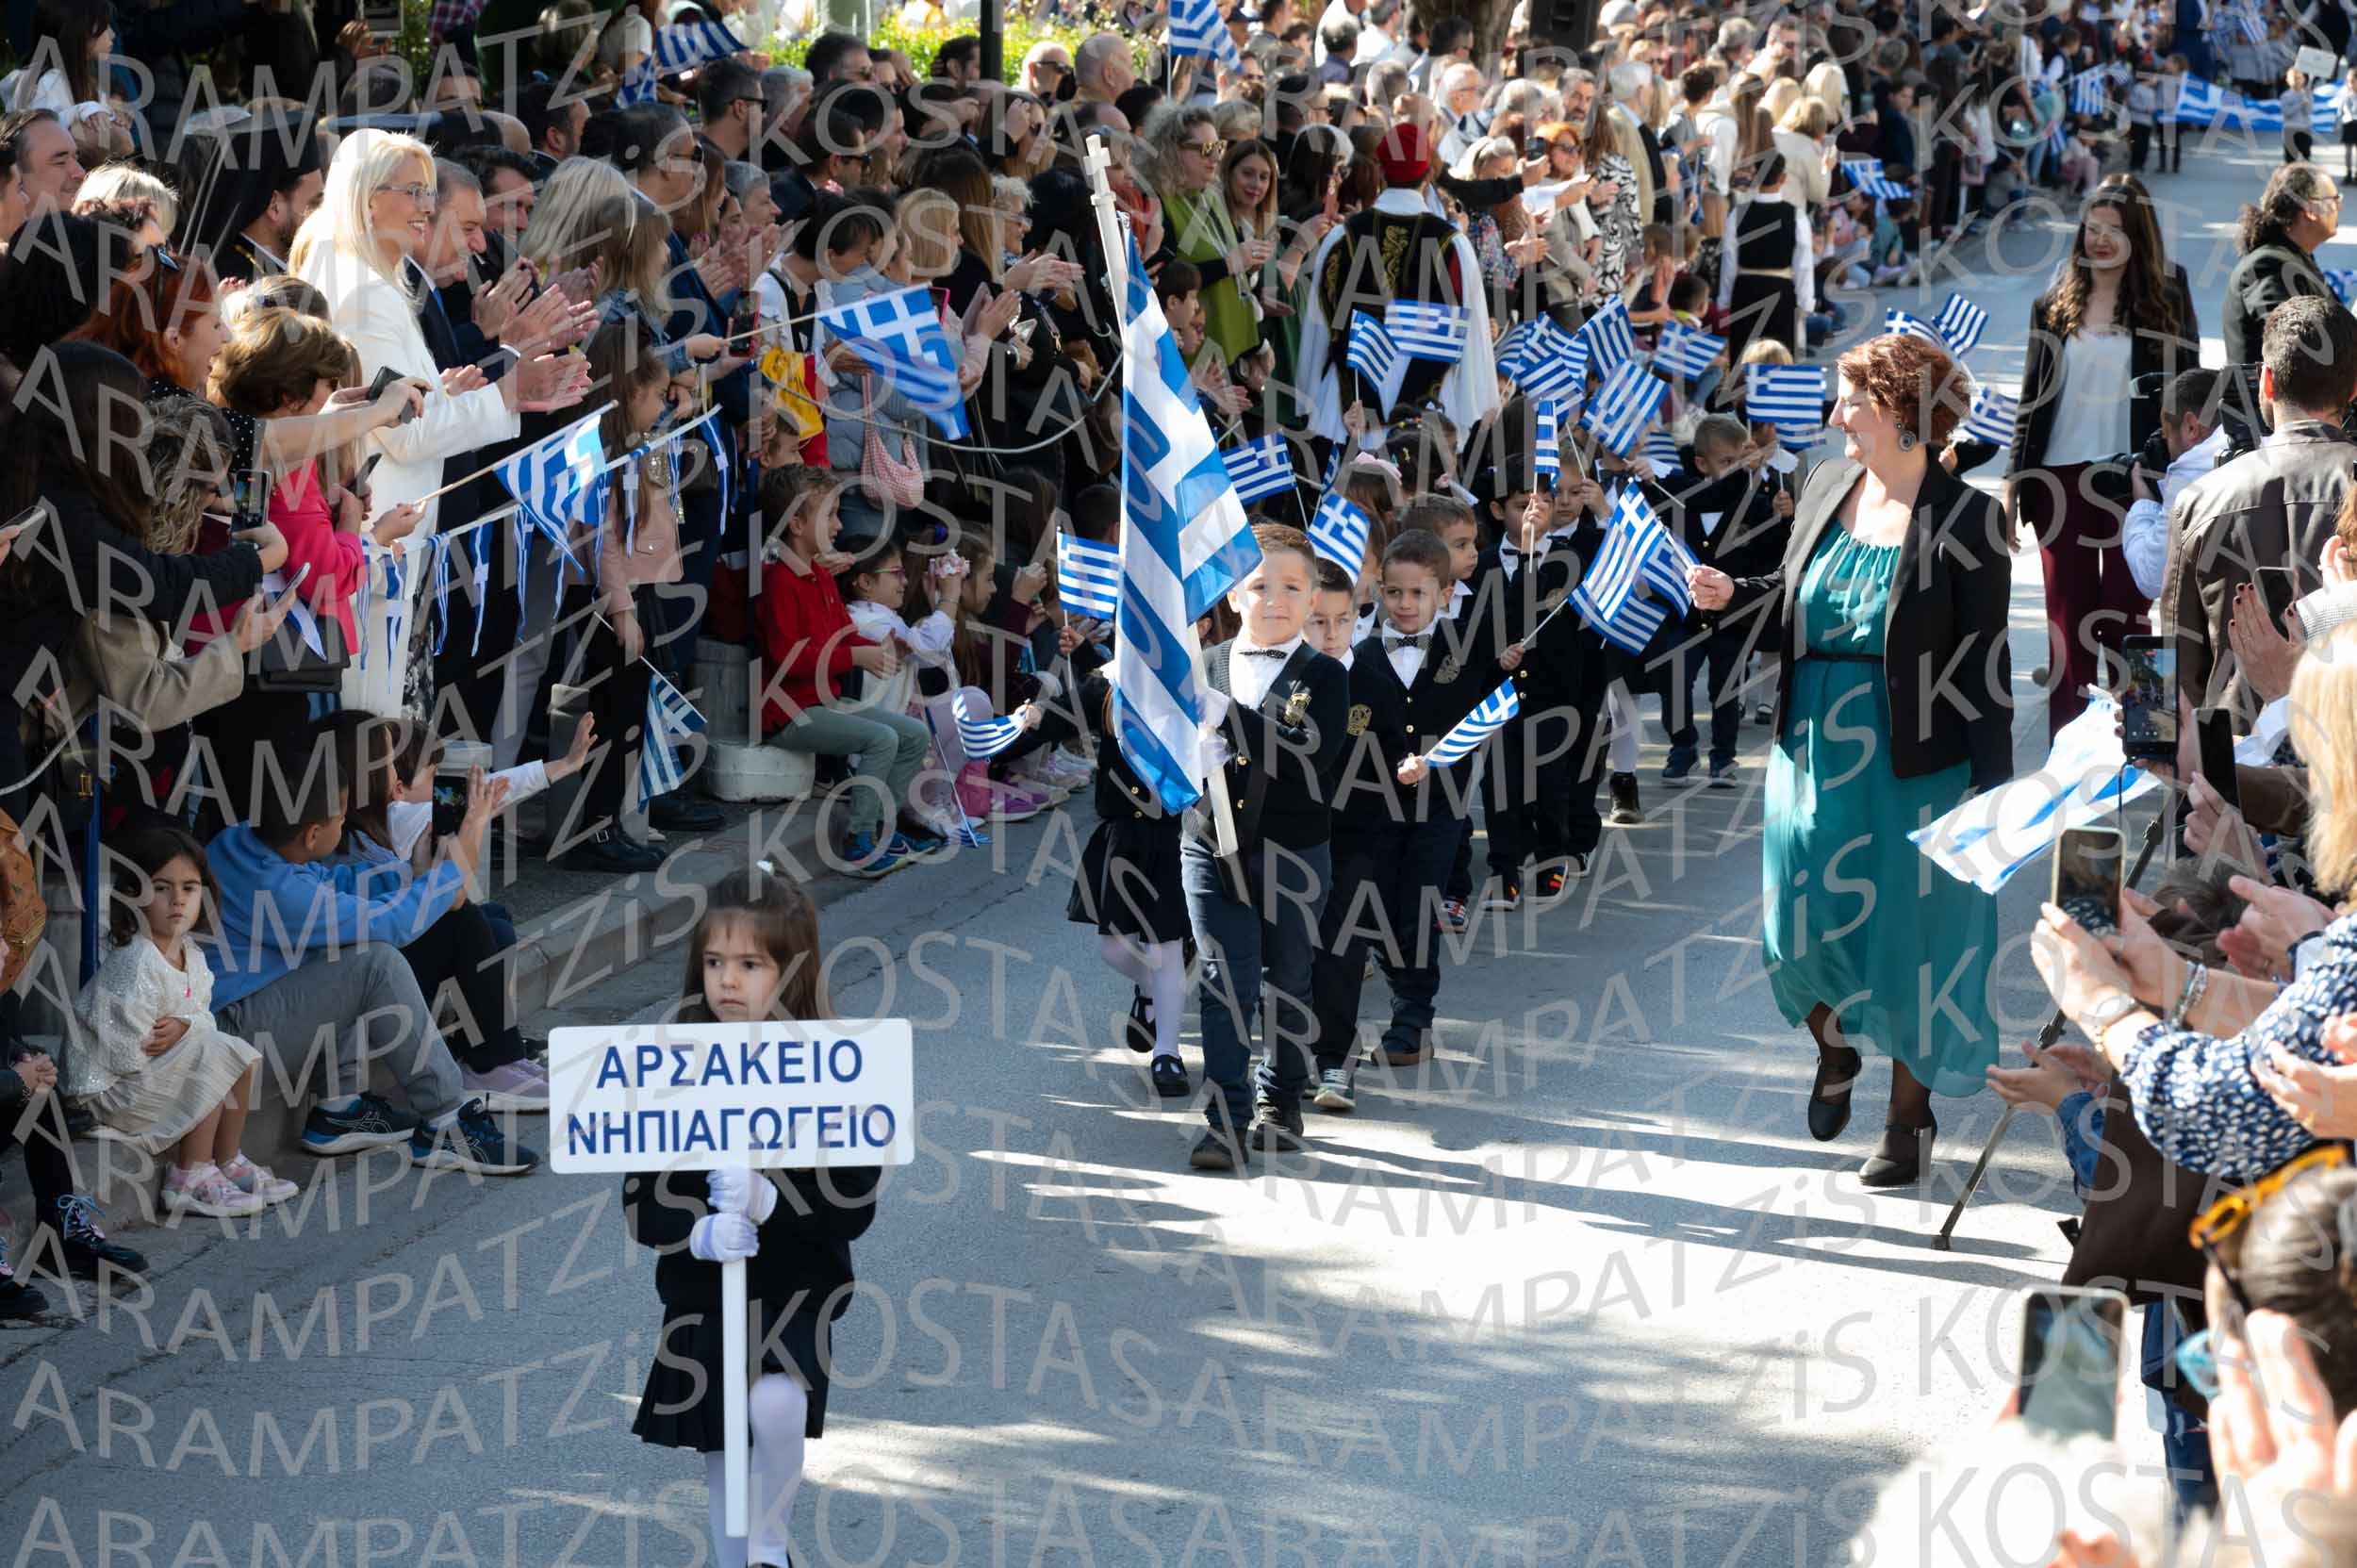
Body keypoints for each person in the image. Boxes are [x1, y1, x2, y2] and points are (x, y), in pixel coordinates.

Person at [1690, 332, 2015, 1187]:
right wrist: (1735, 594)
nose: (1836, 417)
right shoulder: (1825, 483)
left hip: (1919, 761)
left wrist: (1994, 793)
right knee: (1795, 923)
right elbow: (1797, 592)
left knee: (1914, 938)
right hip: (1811, 745)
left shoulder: (1969, 518)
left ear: (1904, 410)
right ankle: (1835, 1050)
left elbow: (1985, 663)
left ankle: (1908, 1121)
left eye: (1853, 402)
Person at [625, 867, 881, 1568]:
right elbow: (641, 1200)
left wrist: (772, 1200)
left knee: (774, 1405)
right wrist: (696, 1229)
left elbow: (855, 1201)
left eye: (750, 964)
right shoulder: (671, 1064)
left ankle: (770, 1545)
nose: (727, 981)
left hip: (795, 1284)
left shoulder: (832, 1066)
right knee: (724, 1447)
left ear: (791, 971)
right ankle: (738, 1558)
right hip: (704, 1292)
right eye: (714, 962)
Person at [291, 128, 587, 716]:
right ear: (368, 199)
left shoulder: (373, 281)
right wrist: (509, 391)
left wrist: (451, 394)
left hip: (387, 536)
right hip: (376, 536)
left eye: (429, 192)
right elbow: (404, 432)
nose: (427, 206)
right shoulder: (363, 292)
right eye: (414, 191)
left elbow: (397, 413)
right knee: (374, 722)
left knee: (389, 720)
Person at [205, 732, 537, 1177]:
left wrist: (409, 872)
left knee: (347, 947)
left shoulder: (237, 840)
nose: (345, 824)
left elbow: (329, 885)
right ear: (313, 833)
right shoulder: (280, 892)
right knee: (375, 962)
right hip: (233, 1034)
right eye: (341, 818)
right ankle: (446, 1120)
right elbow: (395, 924)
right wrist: (471, 831)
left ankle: (340, 1110)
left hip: (241, 1008)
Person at [1309, 527, 1508, 1113]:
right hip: (1371, 811)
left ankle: (1413, 1019)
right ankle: (1397, 991)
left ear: (1444, 594)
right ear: (1378, 591)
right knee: (1374, 909)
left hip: (1439, 807)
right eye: (1393, 592)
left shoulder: (1466, 650)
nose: (1403, 603)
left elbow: (1499, 700)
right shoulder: (1357, 657)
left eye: (1418, 593)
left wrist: (1511, 668)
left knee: (1419, 906)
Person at [1182, 522, 1347, 1169]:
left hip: (1294, 849)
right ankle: (1224, 1117)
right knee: (1224, 978)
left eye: (1291, 587)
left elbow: (1310, 758)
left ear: (1313, 599)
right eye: (1258, 586)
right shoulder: (1203, 667)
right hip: (1210, 843)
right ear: (1231, 595)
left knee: (1289, 978)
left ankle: (1281, 1096)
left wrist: (1230, 719)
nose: (1274, 600)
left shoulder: (1326, 675)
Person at [2009, 176, 2199, 736]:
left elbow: (2188, 388)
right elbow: (2031, 396)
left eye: (2114, 230)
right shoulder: (2053, 302)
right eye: (2092, 228)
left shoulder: (2167, 295)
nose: (2100, 239)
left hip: (2131, 478)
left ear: (2138, 236)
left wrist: (2181, 467)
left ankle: (2150, 738)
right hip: (2058, 480)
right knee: (2066, 622)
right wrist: (2012, 483)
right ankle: (2067, 746)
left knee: (2129, 614)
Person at [69, 824, 290, 1218]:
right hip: (107, 1094)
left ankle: (227, 1161)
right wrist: (187, 1042)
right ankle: (189, 1176)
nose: (177, 900)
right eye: (161, 887)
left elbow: (203, 1018)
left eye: (189, 888)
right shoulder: (136, 961)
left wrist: (186, 1028)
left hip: (144, 1076)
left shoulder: (192, 956)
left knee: (238, 1054)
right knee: (214, 1053)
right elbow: (124, 1056)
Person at [2163, 295, 2357, 713]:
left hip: (2236, 744)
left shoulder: (2199, 500)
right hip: (2344, 735)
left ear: (2266, 382)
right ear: (2354, 388)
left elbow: (2178, 670)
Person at [754, 466, 934, 877]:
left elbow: (843, 634)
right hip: (790, 712)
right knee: (881, 739)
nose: (839, 525)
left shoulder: (819, 575)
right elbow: (787, 659)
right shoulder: (781, 581)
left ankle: (882, 831)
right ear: (797, 524)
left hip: (824, 701)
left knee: (914, 735)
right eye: (830, 514)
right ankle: (858, 841)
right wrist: (854, 657)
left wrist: (879, 647)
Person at [1297, 122, 1499, 447]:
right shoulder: (1454, 245)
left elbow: (1319, 324)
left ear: (1380, 169)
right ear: (1429, 174)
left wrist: (1307, 398)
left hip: (1347, 407)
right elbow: (1471, 335)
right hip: (1428, 409)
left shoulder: (1341, 237)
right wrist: (1475, 409)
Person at [2221, 161, 2345, 368]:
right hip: (2277, 388)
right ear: (2309, 209)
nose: (2338, 208)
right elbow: (2293, 345)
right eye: (2334, 200)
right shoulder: (2268, 265)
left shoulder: (2294, 257)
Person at [2122, 366, 2227, 601]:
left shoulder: (2192, 470)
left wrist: (2143, 505)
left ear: (2191, 427)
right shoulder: (2268, 441)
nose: (2166, 448)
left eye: (2167, 435)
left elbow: (2152, 577)